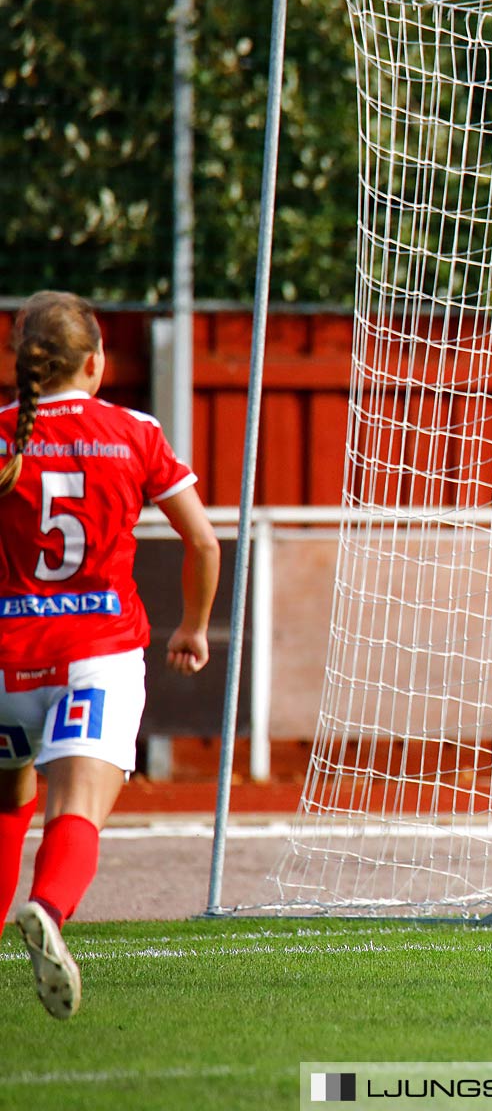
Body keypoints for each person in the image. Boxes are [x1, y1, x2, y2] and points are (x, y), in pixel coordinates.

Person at [0, 291, 220, 1019]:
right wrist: (192, 626)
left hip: (8, 663)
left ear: (21, 363)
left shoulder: (4, 435)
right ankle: (50, 908)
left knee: (8, 799)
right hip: (97, 655)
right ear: (95, 363)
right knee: (77, 808)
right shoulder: (133, 431)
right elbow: (204, 541)